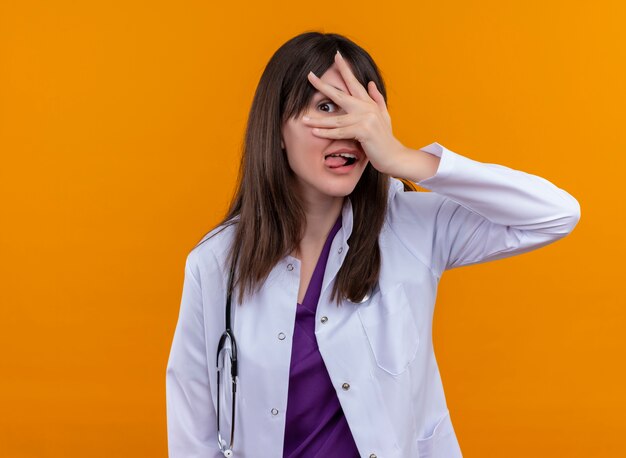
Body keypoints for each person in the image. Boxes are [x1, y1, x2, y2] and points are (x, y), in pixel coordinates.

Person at [165, 31, 581, 458]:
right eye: (327, 107)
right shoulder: (215, 264)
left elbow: (555, 214)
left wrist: (404, 159)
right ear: (277, 130)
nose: (349, 130)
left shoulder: (410, 227)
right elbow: (193, 435)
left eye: (362, 111)